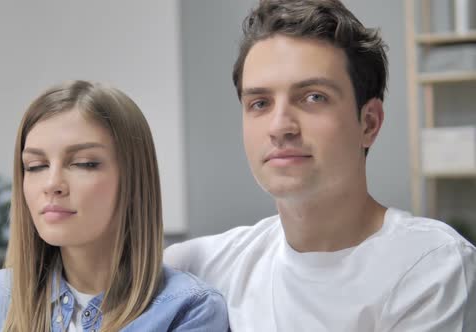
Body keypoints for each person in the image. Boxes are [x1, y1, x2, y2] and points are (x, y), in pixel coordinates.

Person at [165, 1, 476, 331]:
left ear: (369, 123)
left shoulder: (432, 267)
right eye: (259, 103)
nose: (280, 125)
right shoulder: (202, 265)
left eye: (313, 97)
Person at [0, 80, 229, 332]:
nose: (52, 183)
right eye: (36, 166)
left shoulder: (189, 309)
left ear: (133, 179)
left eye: (84, 164)